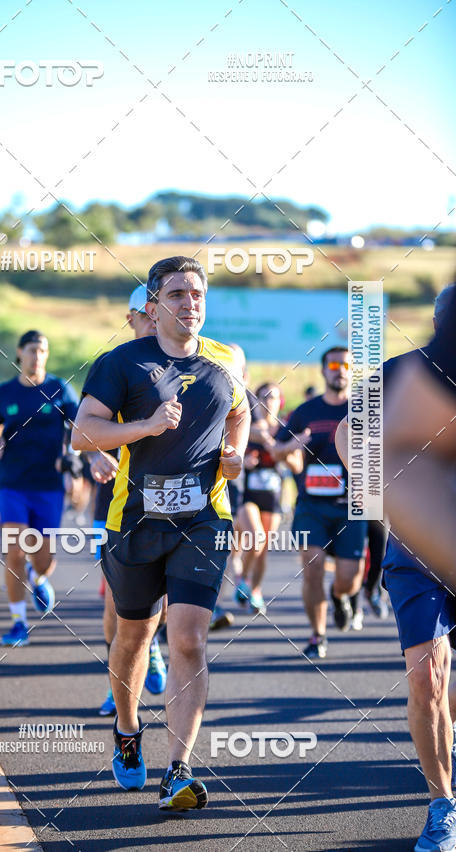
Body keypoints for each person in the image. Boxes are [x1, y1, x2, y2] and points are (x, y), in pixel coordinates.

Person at [72, 255, 250, 811]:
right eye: (176, 294)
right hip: (135, 521)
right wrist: (146, 426)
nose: (189, 304)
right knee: (134, 637)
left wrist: (235, 452)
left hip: (205, 519)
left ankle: (179, 770)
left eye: (196, 294)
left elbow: (240, 412)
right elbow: (83, 433)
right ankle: (127, 731)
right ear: (153, 306)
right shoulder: (121, 363)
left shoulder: (224, 361)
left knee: (190, 639)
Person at [369, 284, 456, 852]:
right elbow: (353, 439)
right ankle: (442, 806)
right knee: (427, 676)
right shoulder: (401, 374)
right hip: (419, 553)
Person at [90, 285, 168, 717]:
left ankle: (150, 644)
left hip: (172, 501)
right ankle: (116, 685)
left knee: (168, 598)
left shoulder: (184, 361)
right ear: (132, 317)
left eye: (159, 313)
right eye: (146, 313)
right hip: (119, 500)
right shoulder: (115, 365)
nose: (154, 321)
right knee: (114, 601)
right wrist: (94, 457)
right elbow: (84, 429)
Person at [0, 331, 78, 646]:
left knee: (43, 559)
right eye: (32, 350)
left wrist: (72, 458)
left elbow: (80, 426)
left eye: (43, 351)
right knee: (14, 550)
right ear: (20, 353)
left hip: (49, 485)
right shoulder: (5, 392)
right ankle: (18, 624)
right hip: (12, 482)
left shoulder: (59, 388)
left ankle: (38, 578)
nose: (38, 356)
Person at [273, 347, 367, 659]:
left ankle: (341, 596)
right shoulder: (305, 411)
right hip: (311, 505)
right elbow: (277, 452)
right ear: (324, 370)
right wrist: (293, 444)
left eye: (346, 366)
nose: (340, 371)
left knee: (349, 578)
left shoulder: (363, 409)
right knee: (312, 566)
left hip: (352, 507)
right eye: (334, 365)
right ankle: (318, 635)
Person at [235, 382, 302, 613]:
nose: (267, 403)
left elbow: (297, 466)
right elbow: (229, 453)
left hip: (273, 498)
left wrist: (282, 453)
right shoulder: (246, 427)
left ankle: (255, 591)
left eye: (273, 398)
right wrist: (243, 462)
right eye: (263, 397)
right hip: (248, 496)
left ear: (280, 402)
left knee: (262, 551)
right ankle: (243, 579)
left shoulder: (285, 430)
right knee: (256, 538)